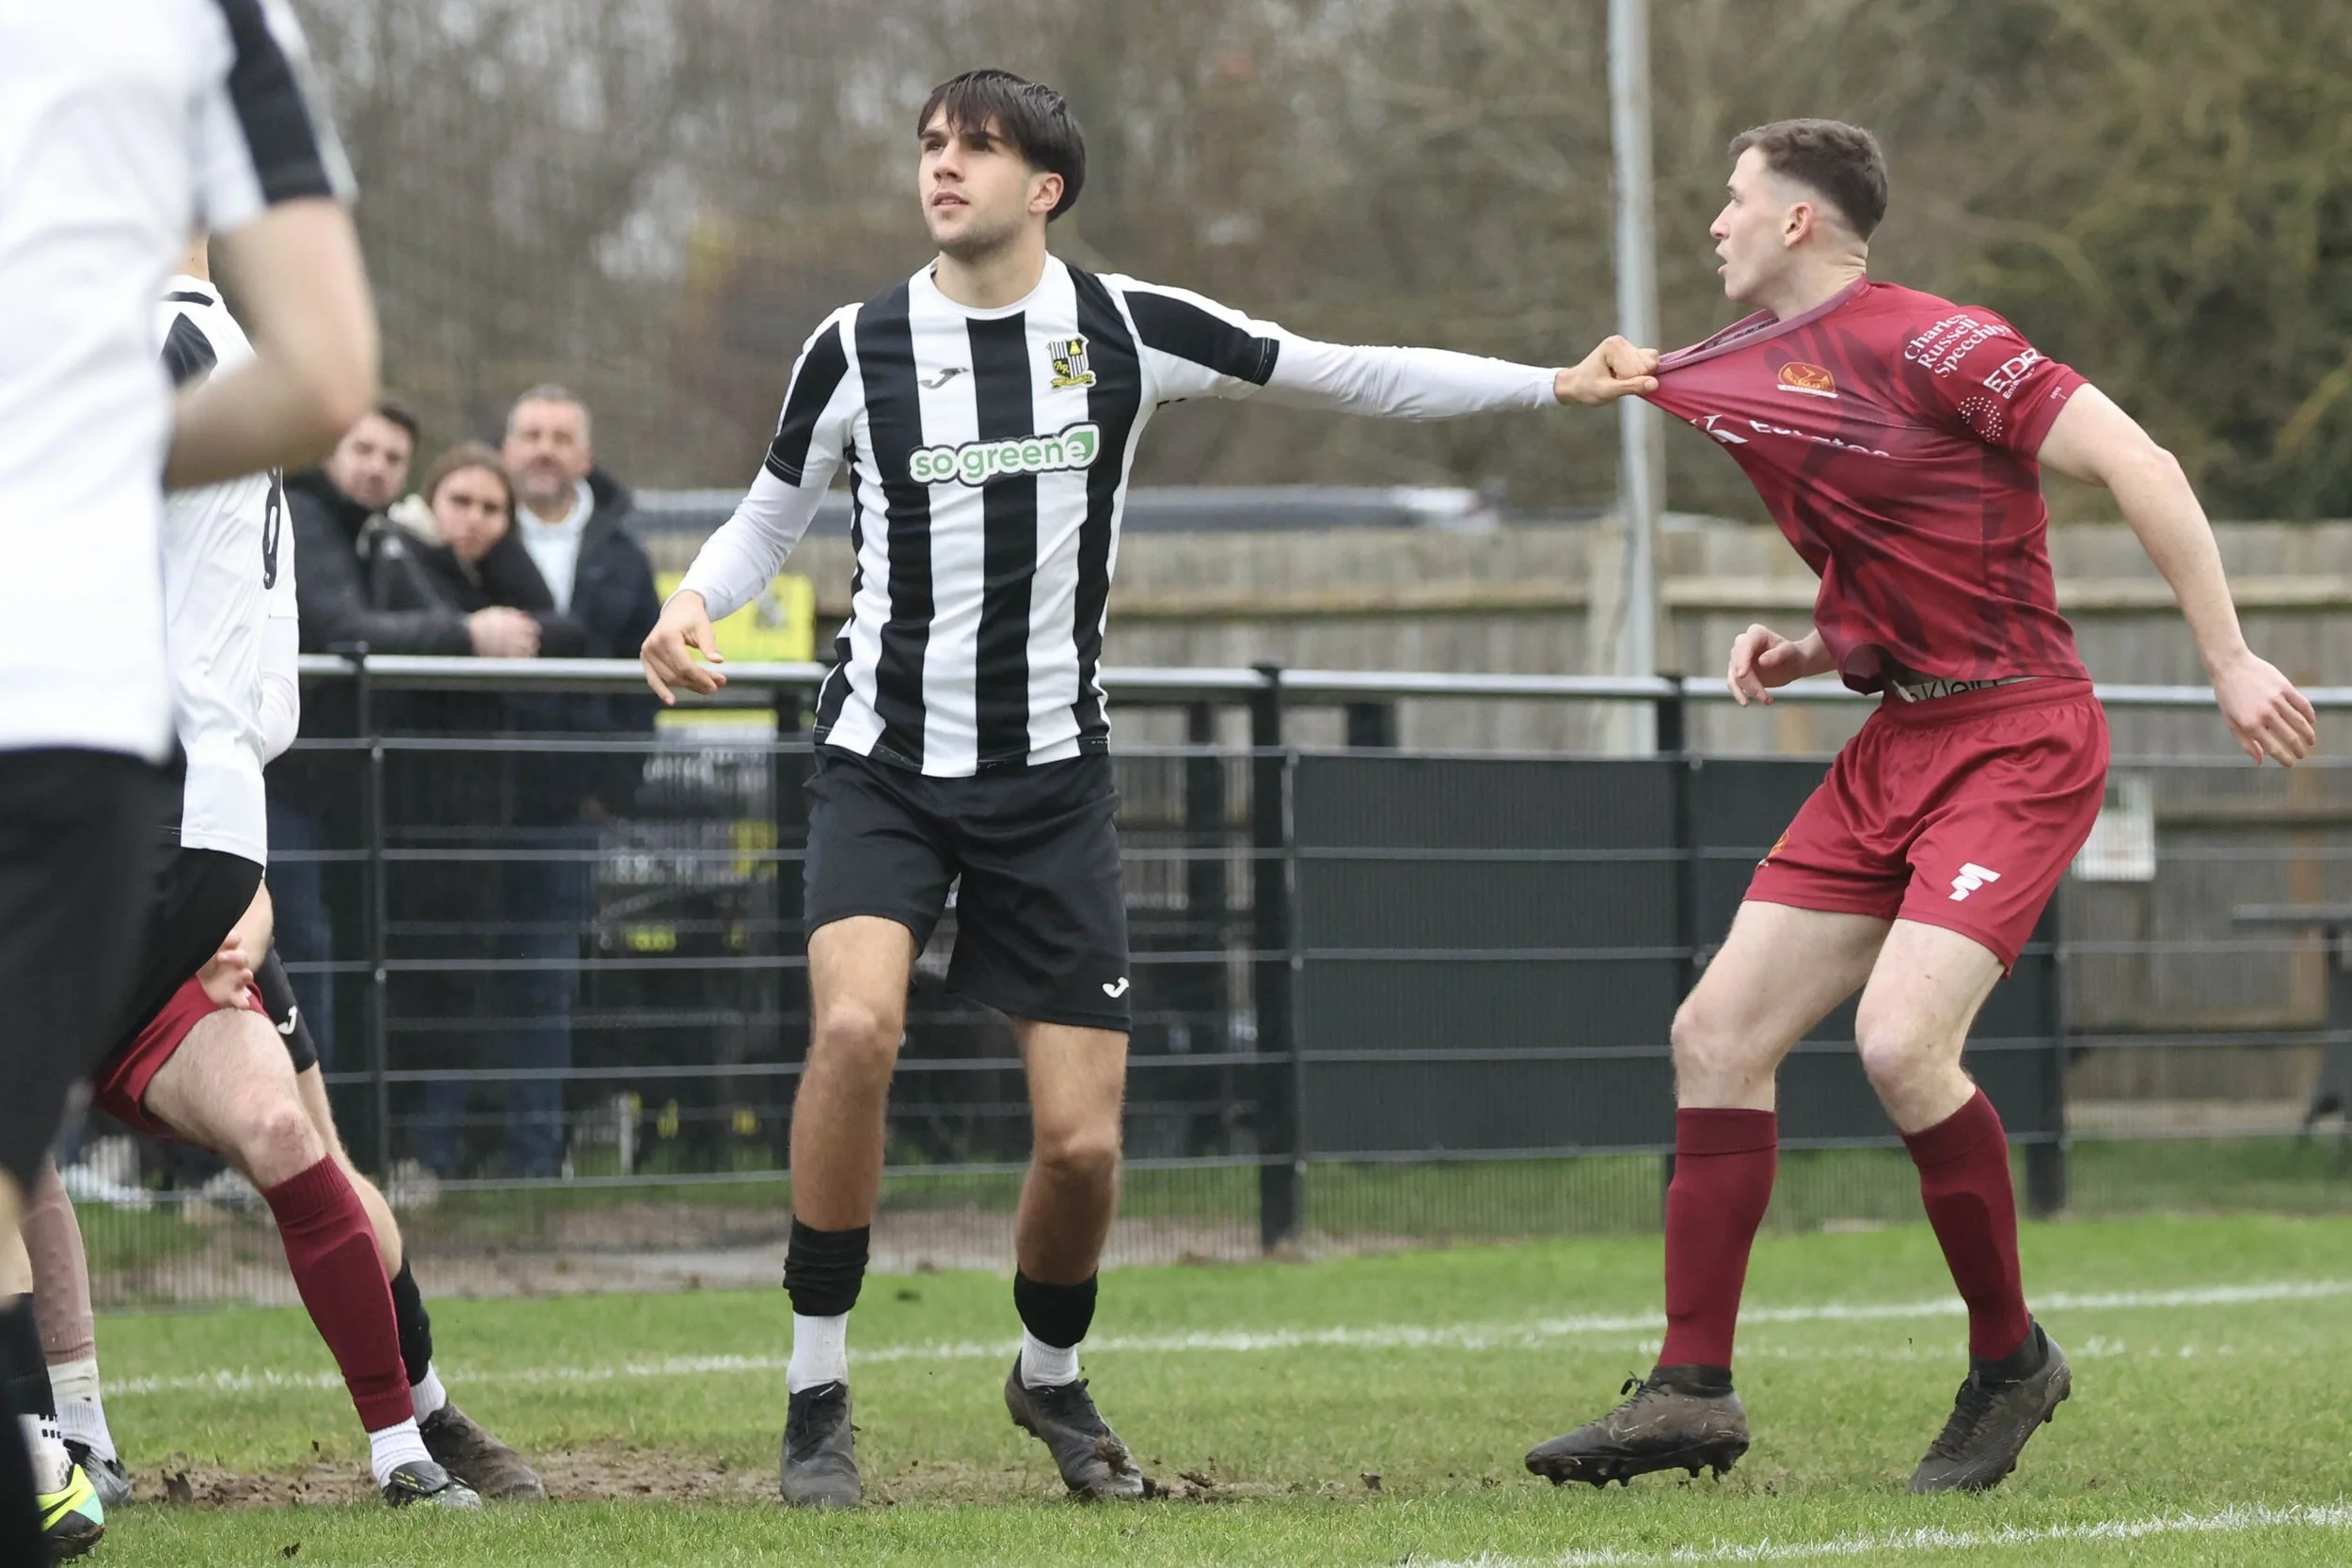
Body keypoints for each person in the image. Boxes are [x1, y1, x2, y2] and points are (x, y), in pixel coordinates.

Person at [641, 67, 1652, 1509]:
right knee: (858, 1026)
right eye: (931, 145)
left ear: (1043, 187)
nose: (943, 169)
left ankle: (1048, 1377)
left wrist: (1553, 380)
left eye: (975, 150)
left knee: (1085, 1143)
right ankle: (816, 1388)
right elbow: (766, 512)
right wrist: (692, 602)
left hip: (1055, 779)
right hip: (884, 762)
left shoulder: (1123, 327)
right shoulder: (855, 343)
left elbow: (1346, 368)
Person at [1522, 119, 2316, 1496]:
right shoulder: (1744, 370)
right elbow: (1913, 537)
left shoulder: (1944, 343)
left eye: (1733, 198)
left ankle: (2011, 1356)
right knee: (1715, 1033)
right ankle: (1690, 1390)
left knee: (1900, 1042)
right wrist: (1817, 647)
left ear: (1795, 224)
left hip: (2019, 737)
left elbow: (2146, 466)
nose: (1712, 221)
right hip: (1896, 738)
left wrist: (2229, 655)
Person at [0, 2, 373, 1556]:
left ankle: (58, 1448)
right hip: (116, 754)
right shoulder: (213, 25)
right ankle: (62, 1452)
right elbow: (329, 373)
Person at [273, 404, 544, 1074]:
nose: (375, 467)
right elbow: (340, 626)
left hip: (331, 790)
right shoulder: (306, 517)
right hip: (285, 783)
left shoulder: (372, 534)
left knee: (327, 957)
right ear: (331, 448)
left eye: (393, 458)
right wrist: (468, 637)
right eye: (363, 448)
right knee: (296, 957)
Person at [389, 444, 592, 1176]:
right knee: (408, 985)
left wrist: (501, 608)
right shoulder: (396, 554)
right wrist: (478, 636)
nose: (474, 521)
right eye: (460, 503)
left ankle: (441, 1157)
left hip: (479, 821)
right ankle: (404, 1151)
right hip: (401, 818)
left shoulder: (491, 567)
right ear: (429, 502)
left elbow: (565, 629)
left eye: (491, 508)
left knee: (465, 988)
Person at [492, 388, 664, 1177]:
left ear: (585, 455)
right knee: (455, 975)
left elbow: (645, 677)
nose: (545, 449)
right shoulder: (475, 537)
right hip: (473, 803)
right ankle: (441, 1154)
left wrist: (613, 787)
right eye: (531, 434)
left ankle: (534, 1161)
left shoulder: (623, 557)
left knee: (547, 978)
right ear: (506, 448)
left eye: (561, 436)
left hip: (569, 810)